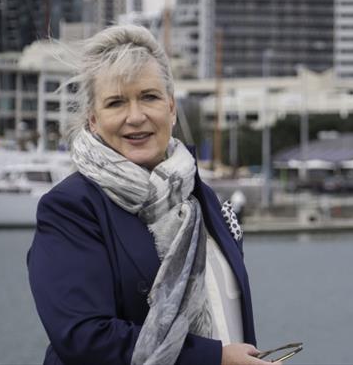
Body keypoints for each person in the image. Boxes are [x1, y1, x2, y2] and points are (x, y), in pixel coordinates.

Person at [27, 25, 271, 365]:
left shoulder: (203, 199)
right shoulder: (72, 207)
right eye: (116, 103)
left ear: (171, 108)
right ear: (93, 120)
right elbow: (83, 337)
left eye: (149, 97)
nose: (136, 116)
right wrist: (214, 359)